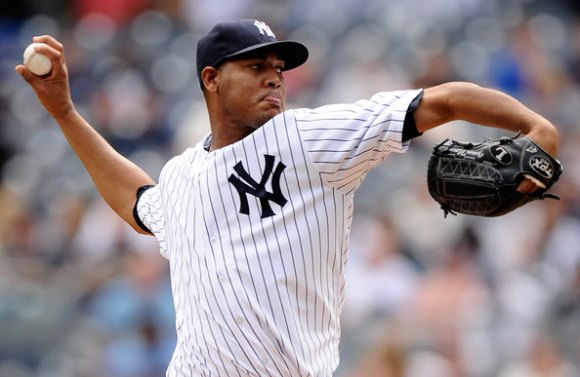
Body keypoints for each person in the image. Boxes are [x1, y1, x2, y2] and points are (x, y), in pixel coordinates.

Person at [16, 19, 559, 377]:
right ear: (211, 79)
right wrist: (64, 112)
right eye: (256, 68)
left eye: (278, 69)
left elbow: (441, 101)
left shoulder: (309, 137)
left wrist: (535, 125)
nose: (274, 79)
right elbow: (137, 204)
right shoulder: (181, 176)